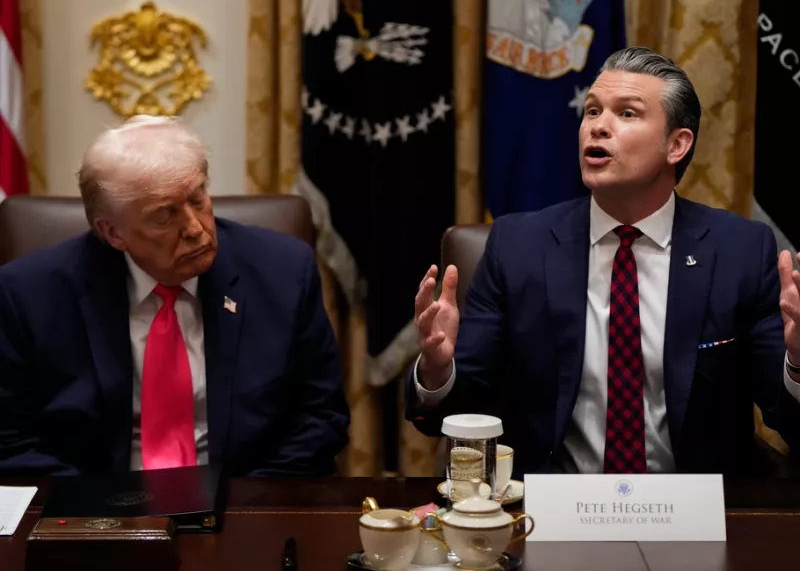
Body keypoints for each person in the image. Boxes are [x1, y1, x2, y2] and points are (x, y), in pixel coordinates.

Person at [408, 47, 800, 476]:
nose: (598, 126)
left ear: (676, 144)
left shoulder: (740, 250)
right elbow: (453, 411)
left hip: (693, 507)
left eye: (627, 113)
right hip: (552, 506)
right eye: (592, 110)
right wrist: (437, 369)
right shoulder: (518, 246)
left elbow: (787, 417)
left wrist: (798, 363)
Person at [0, 115, 349, 477]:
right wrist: (98, 504)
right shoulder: (28, 294)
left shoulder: (283, 271)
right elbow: (9, 439)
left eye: (198, 199)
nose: (195, 229)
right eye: (163, 217)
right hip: (98, 499)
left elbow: (321, 416)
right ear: (113, 232)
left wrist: (243, 502)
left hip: (245, 491)